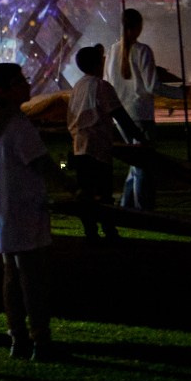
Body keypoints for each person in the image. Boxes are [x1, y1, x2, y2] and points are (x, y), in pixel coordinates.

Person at [0, 63, 61, 360]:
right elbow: (41, 162)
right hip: (25, 208)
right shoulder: (17, 124)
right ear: (3, 90)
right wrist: (72, 186)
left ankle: (18, 338)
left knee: (12, 275)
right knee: (33, 278)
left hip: (3, 209)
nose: (26, 85)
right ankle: (42, 341)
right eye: (19, 82)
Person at [66, 44, 125, 241]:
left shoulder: (78, 87)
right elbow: (119, 113)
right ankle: (109, 230)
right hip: (98, 146)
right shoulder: (102, 86)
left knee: (87, 192)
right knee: (104, 193)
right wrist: (138, 136)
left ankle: (90, 231)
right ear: (97, 64)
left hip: (80, 146)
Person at [107, 8, 159, 210]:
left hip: (121, 114)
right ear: (138, 27)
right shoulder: (143, 51)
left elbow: (108, 82)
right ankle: (141, 207)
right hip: (141, 113)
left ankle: (127, 203)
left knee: (135, 162)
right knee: (143, 164)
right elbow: (152, 86)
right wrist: (181, 95)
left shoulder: (112, 51)